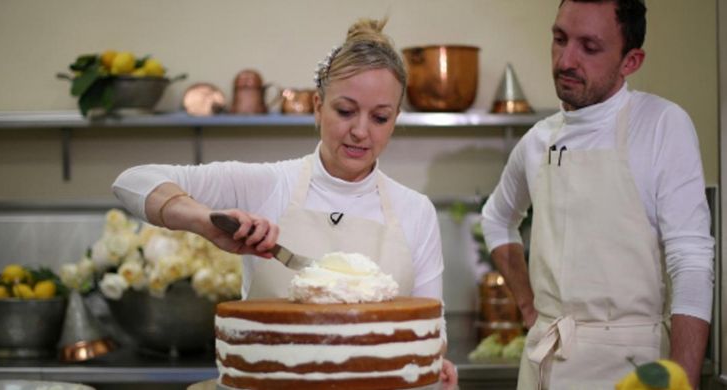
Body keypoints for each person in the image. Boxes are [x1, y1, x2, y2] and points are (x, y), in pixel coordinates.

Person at [112, 17, 457, 387]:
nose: (360, 131)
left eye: (380, 117)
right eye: (345, 111)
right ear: (318, 106)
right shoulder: (267, 185)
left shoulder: (415, 210)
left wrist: (436, 372)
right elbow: (132, 183)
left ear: (395, 120)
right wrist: (206, 221)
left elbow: (431, 329)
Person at [480, 0, 714, 388]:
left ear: (630, 61)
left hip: (634, 365)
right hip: (546, 363)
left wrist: (682, 380)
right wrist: (528, 306)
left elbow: (690, 260)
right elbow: (496, 218)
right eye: (559, 39)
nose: (566, 59)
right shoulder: (537, 141)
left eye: (589, 47)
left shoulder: (660, 125)